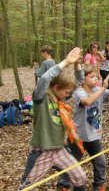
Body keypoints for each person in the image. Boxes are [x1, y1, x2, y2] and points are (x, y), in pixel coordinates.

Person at [18, 47, 86, 191]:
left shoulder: (59, 101)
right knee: (26, 187)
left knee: (80, 177)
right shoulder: (41, 99)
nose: (68, 94)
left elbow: (80, 81)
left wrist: (76, 64)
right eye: (66, 92)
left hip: (59, 150)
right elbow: (44, 78)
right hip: (42, 152)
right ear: (55, 88)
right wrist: (66, 62)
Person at [58, 64, 109, 191]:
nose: (96, 78)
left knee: (100, 162)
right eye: (92, 77)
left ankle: (99, 185)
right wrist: (103, 89)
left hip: (93, 136)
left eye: (96, 76)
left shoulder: (98, 90)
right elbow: (87, 102)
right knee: (72, 163)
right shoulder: (78, 92)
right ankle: (64, 184)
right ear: (83, 79)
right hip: (78, 137)